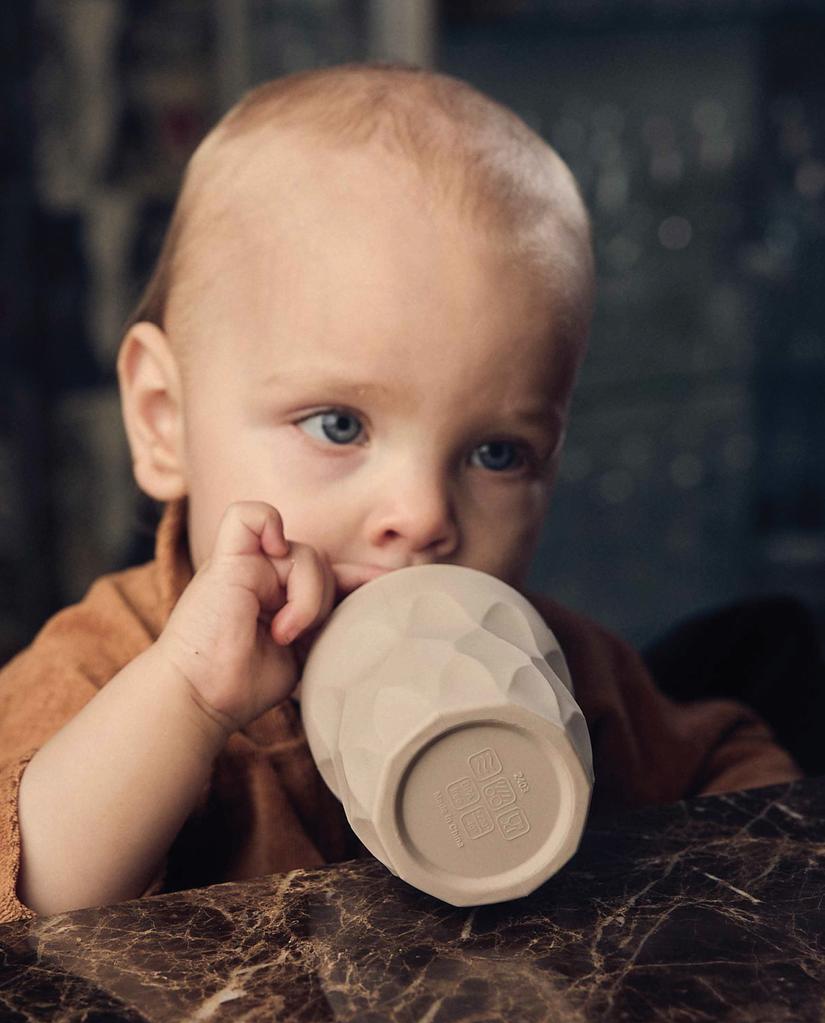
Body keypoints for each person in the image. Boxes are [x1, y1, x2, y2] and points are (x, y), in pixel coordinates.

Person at [0, 62, 801, 923]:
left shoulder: (559, 667)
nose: (422, 515)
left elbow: (729, 774)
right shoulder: (104, 664)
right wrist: (191, 700)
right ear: (164, 421)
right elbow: (25, 893)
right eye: (338, 426)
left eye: (496, 452)